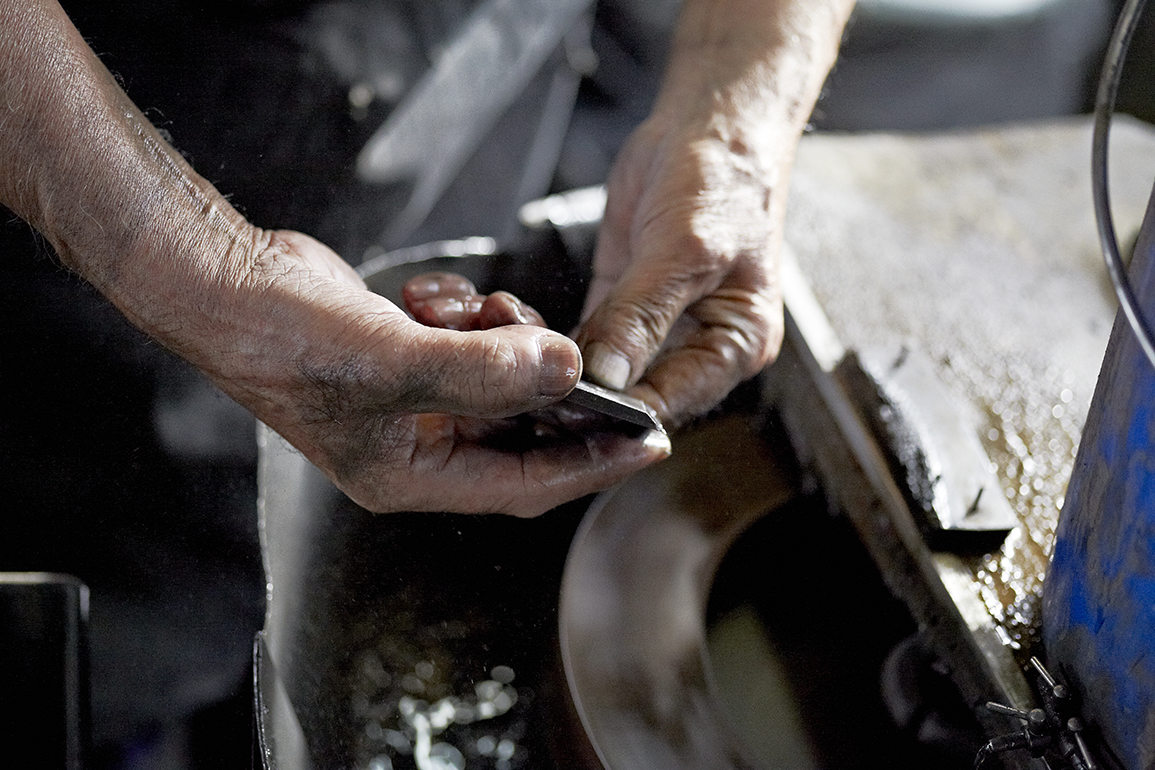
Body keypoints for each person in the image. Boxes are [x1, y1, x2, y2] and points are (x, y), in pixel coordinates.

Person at [0, 0, 853, 519]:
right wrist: (200, 275)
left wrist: (735, 121)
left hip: (484, 53)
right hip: (76, 116)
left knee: (416, 399)